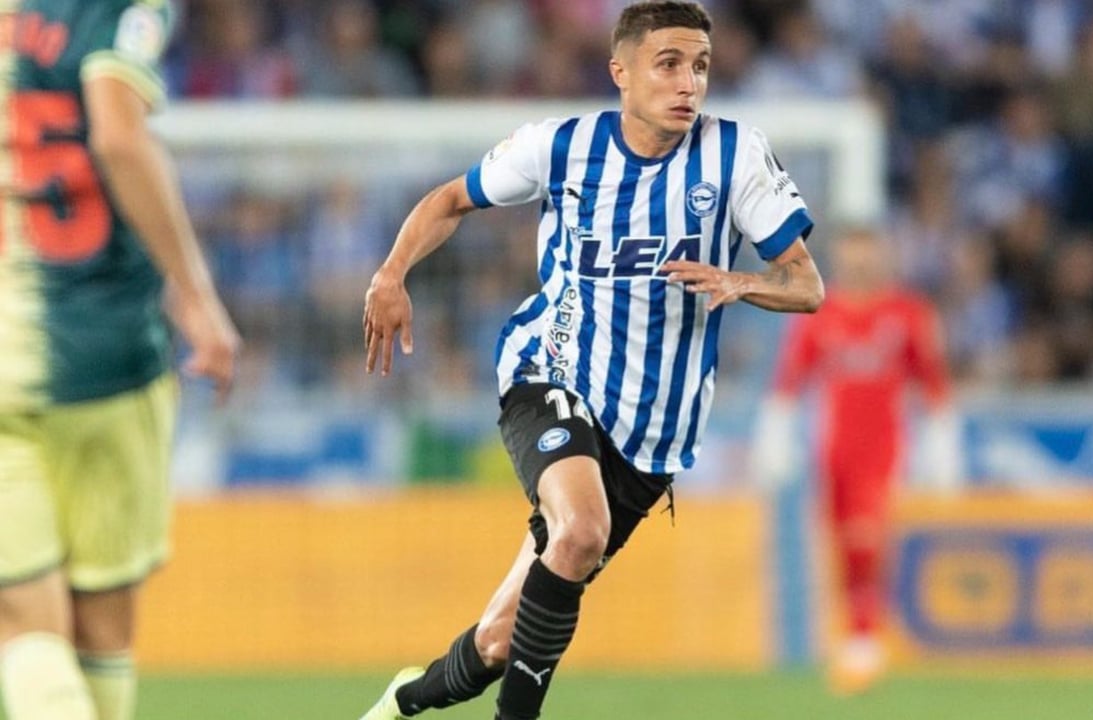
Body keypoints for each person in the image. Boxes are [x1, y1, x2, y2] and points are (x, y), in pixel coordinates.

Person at [358, 3, 823, 718]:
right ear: (621, 72)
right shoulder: (561, 147)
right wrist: (391, 273)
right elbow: (450, 200)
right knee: (580, 529)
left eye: (700, 66)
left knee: (499, 641)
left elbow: (806, 284)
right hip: (550, 374)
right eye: (668, 64)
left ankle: (402, 701)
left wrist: (742, 281)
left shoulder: (735, 156)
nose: (688, 83)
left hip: (650, 437)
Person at [0, 2, 240, 720]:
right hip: (107, 353)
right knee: (102, 632)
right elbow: (117, 131)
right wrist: (195, 294)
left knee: (26, 627)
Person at [753, 227, 958, 694]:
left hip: (884, 448)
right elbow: (790, 381)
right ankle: (856, 636)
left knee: (869, 536)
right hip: (834, 450)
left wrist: (942, 445)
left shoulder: (906, 313)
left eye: (867, 254)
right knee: (842, 542)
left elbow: (933, 382)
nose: (859, 263)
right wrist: (776, 436)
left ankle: (865, 638)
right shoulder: (819, 313)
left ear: (881, 256)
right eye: (851, 255)